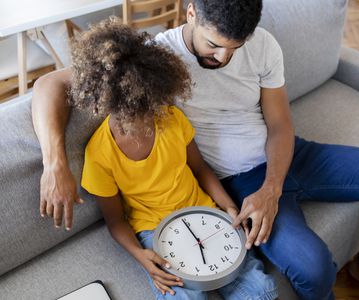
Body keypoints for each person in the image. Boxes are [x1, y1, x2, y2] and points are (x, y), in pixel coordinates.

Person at [31, 1, 359, 299]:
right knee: (314, 267)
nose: (223, 58)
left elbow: (280, 125)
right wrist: (54, 163)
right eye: (213, 45)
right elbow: (49, 84)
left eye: (234, 48)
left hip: (289, 156)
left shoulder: (264, 45)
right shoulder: (154, 58)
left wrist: (271, 189)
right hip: (234, 181)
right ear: (191, 12)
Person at [66, 19, 278, 300]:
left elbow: (200, 169)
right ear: (107, 106)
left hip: (203, 210)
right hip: (153, 229)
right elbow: (115, 221)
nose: (145, 124)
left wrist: (227, 206)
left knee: (261, 289)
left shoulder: (171, 119)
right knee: (186, 297)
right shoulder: (99, 155)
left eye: (149, 111)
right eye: (133, 117)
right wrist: (140, 255)